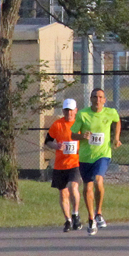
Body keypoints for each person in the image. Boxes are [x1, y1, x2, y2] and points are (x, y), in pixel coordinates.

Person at [73, 88, 122, 235]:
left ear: (105, 100)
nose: (98, 100)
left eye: (101, 97)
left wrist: (116, 137)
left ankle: (99, 212)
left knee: (98, 180)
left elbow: (117, 121)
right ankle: (91, 219)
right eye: (95, 97)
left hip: (103, 154)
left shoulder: (110, 112)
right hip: (86, 157)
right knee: (88, 188)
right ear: (91, 99)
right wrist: (82, 137)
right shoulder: (83, 114)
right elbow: (73, 134)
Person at [44, 97, 81, 232]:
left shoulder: (79, 124)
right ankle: (68, 220)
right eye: (66, 111)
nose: (68, 113)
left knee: (73, 186)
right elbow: (47, 141)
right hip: (60, 165)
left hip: (75, 163)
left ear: (75, 111)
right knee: (63, 193)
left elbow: (86, 141)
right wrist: (56, 145)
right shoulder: (57, 125)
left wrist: (79, 149)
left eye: (71, 111)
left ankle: (75, 213)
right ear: (63, 111)